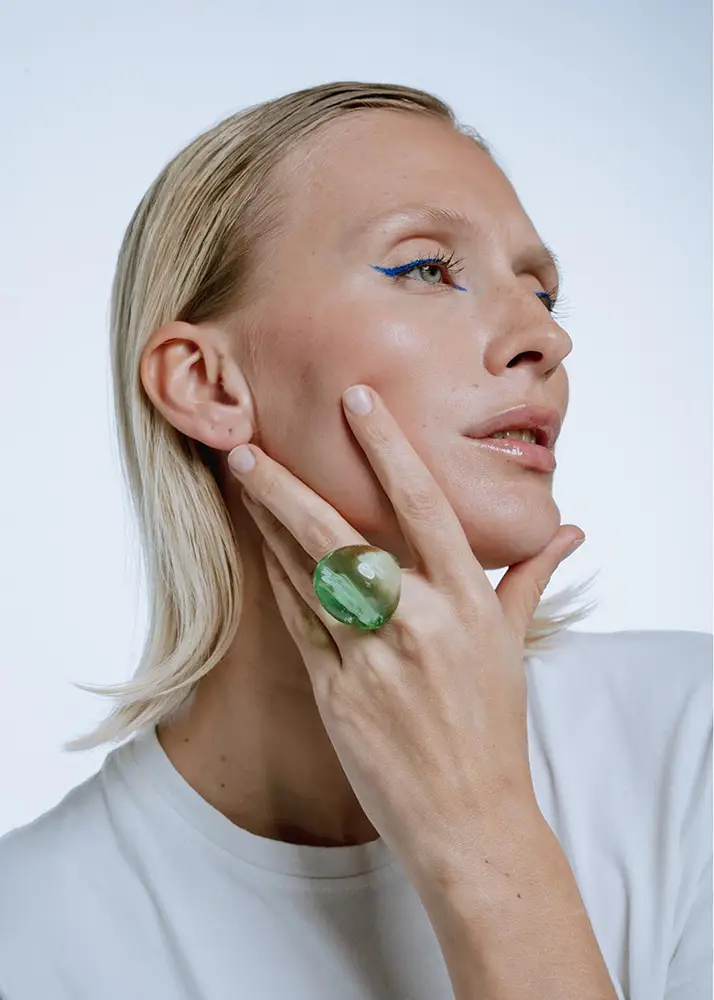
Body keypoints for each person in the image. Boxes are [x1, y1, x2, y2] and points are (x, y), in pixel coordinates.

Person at [0, 81, 710, 1000]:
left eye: (543, 292)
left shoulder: (690, 743)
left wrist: (483, 832)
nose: (544, 336)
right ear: (209, 385)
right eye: (427, 269)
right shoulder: (28, 936)